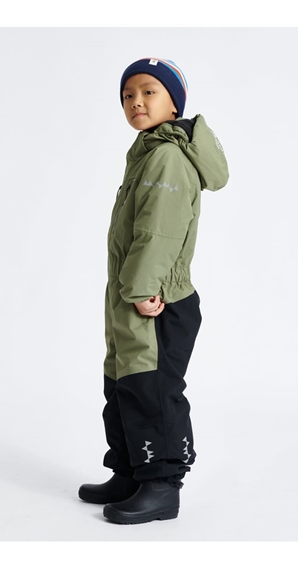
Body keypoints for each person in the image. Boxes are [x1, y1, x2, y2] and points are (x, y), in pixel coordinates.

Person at [78, 57, 229, 524]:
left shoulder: (167, 157)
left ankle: (161, 486)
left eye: (149, 91)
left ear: (173, 103)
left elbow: (158, 232)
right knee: (123, 383)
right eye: (128, 95)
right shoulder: (146, 152)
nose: (136, 102)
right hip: (134, 293)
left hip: (157, 298)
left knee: (153, 389)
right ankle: (130, 472)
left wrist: (143, 289)